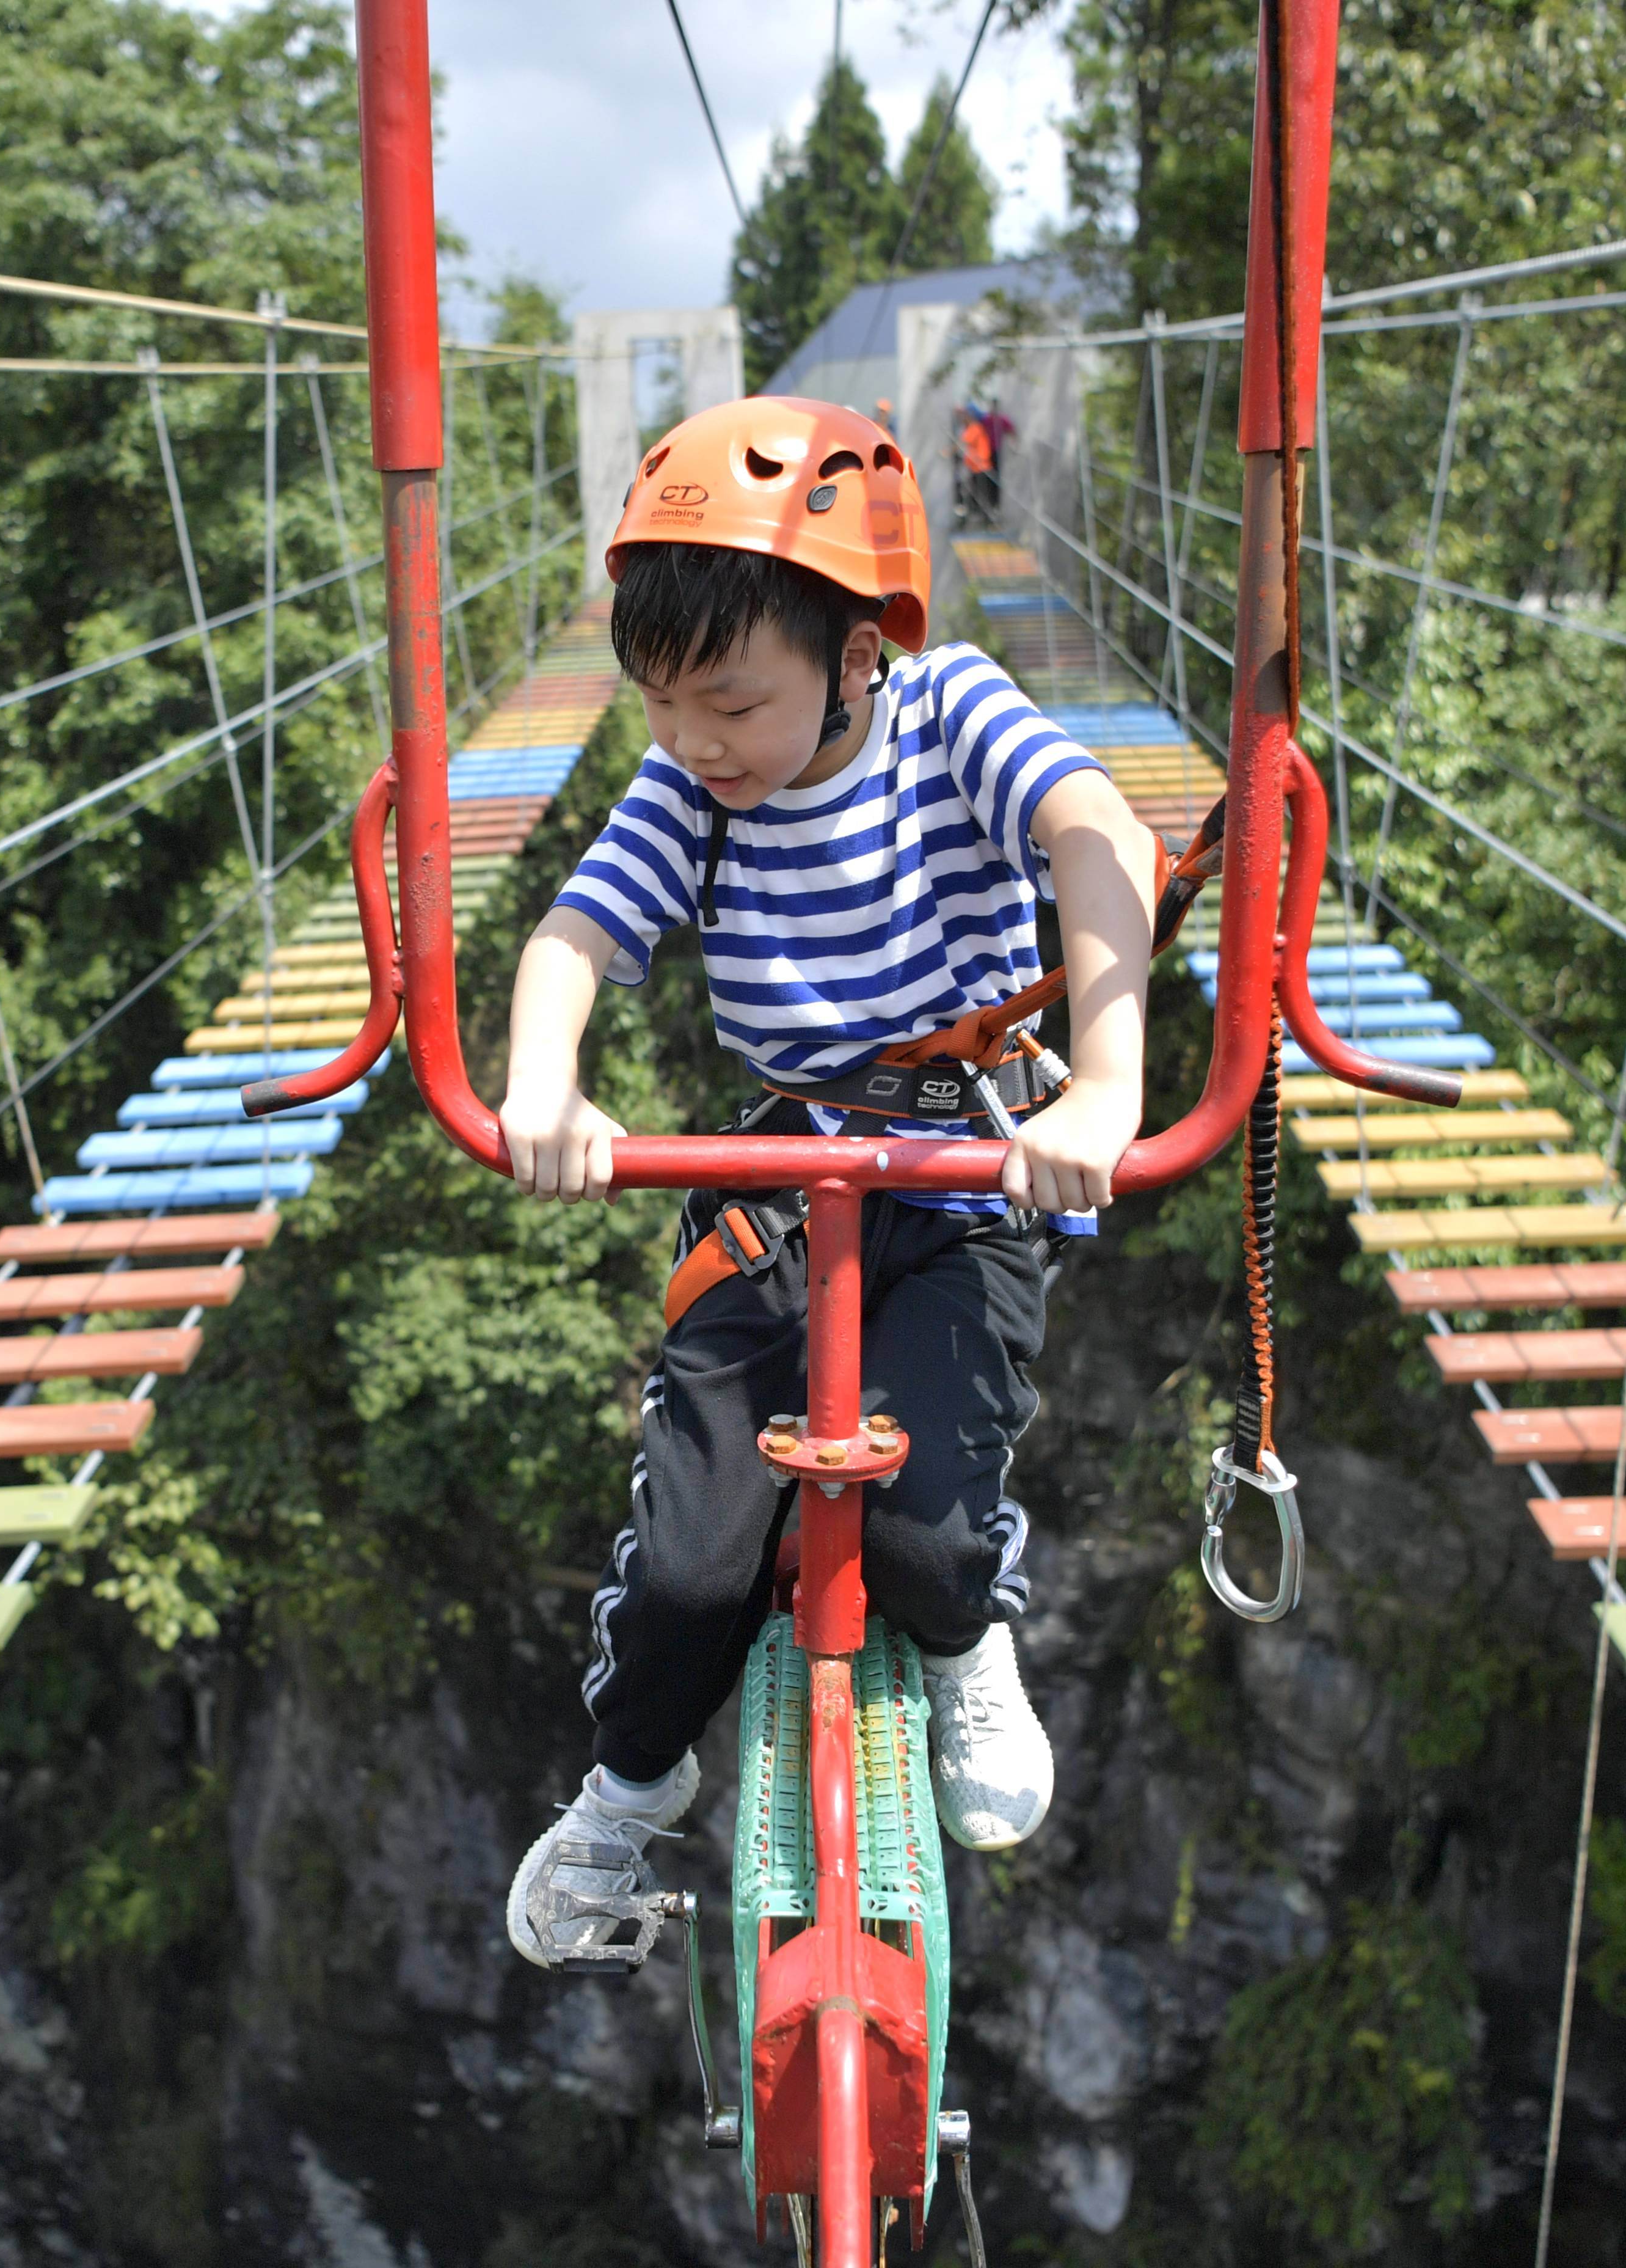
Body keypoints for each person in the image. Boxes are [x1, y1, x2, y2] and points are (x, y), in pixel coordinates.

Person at [500, 397, 1162, 1970]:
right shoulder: (687, 787)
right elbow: (574, 935)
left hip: (962, 1167)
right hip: (781, 1176)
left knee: (929, 1531)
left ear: (861, 651)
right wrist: (548, 1079)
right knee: (691, 1564)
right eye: (661, 702)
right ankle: (627, 1786)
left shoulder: (952, 716)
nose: (692, 741)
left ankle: (963, 1642)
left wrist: (1107, 1079)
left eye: (729, 700)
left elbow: (1095, 831)